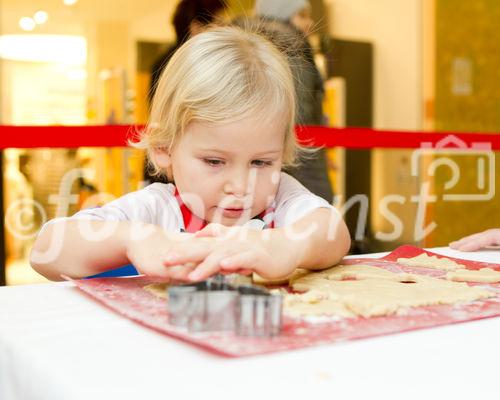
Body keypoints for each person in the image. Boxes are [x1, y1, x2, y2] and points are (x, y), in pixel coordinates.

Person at [30, 27, 350, 283]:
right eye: (214, 161)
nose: (240, 185)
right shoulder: (157, 208)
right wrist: (134, 239)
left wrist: (287, 245)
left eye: (261, 162)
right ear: (164, 148)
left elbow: (334, 232)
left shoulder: (281, 198)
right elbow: (45, 251)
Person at [254, 0, 334, 203]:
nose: (309, 22)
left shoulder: (253, 43)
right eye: (302, 15)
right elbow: (301, 112)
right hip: (300, 155)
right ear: (283, 14)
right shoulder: (291, 46)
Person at [147, 0, 228, 183]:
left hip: (167, 162)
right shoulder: (196, 65)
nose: (225, 31)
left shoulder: (163, 60)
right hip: (185, 168)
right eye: (220, 24)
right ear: (196, 27)